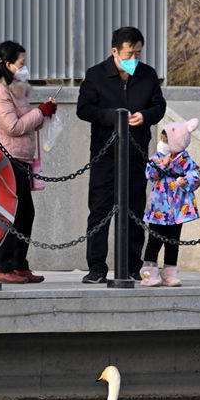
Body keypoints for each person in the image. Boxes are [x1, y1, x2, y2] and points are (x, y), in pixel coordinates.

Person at [76, 26, 167, 283]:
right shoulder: (96, 75)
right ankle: (96, 268)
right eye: (129, 53)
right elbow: (84, 109)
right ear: (115, 51)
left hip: (136, 153)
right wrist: (114, 117)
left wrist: (145, 116)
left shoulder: (147, 74)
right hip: (105, 154)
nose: (134, 59)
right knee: (100, 209)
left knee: (135, 209)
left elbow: (158, 106)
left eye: (138, 53)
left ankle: (131, 265)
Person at [0, 40, 56, 284]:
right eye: (21, 63)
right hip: (6, 158)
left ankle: (19, 264)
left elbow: (27, 120)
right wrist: (40, 112)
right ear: (7, 64)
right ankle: (1, 264)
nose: (24, 68)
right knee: (12, 213)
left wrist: (44, 113)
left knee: (26, 213)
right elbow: (12, 126)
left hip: (22, 158)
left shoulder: (16, 89)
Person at [139, 119, 200, 287]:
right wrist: (163, 165)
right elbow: (150, 175)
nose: (162, 143)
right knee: (155, 239)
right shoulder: (156, 158)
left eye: (166, 140)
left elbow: (195, 176)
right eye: (162, 139)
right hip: (159, 207)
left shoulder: (185, 160)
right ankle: (149, 272)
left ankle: (170, 272)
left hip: (177, 208)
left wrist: (185, 181)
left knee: (173, 241)